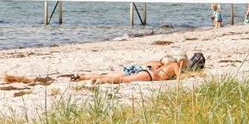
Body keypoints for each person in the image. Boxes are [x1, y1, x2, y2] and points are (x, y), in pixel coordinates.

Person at [73, 52, 205, 84]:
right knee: (122, 80)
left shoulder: (164, 64)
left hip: (144, 69)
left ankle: (83, 76)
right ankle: (100, 81)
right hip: (149, 75)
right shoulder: (175, 66)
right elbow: (179, 79)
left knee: (111, 75)